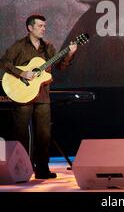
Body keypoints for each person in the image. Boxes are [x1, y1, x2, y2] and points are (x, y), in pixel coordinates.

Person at [0, 14, 77, 179]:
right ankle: (19, 169)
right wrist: (22, 72)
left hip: (42, 96)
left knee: (44, 134)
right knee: (20, 134)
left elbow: (61, 66)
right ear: (30, 28)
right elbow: (4, 62)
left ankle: (42, 170)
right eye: (40, 26)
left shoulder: (48, 47)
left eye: (44, 26)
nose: (43, 29)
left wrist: (69, 54)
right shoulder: (19, 46)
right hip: (22, 94)